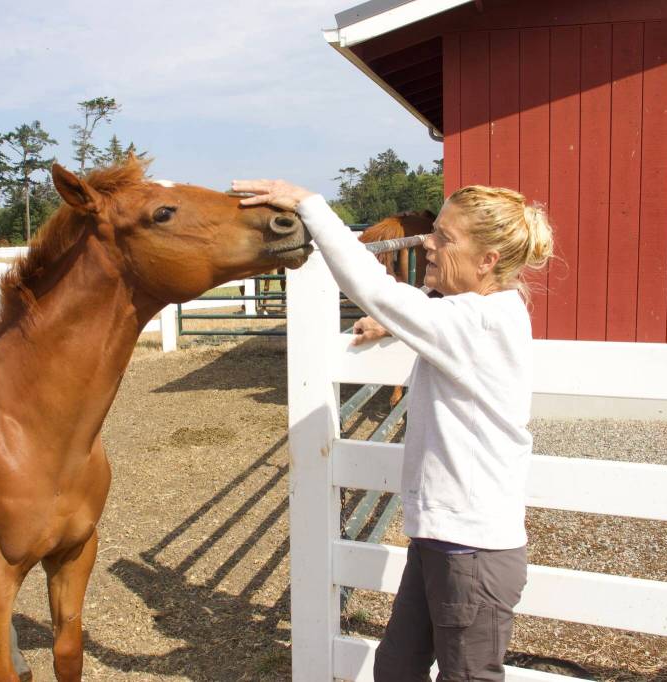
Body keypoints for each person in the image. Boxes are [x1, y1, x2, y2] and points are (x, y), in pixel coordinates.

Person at [231, 178, 554, 682]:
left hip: (471, 551)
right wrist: (399, 323)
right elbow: (430, 308)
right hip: (441, 540)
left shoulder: (475, 325)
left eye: (445, 238)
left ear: (487, 260)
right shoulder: (483, 310)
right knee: (396, 669)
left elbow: (376, 290)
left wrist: (309, 206)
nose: (428, 242)